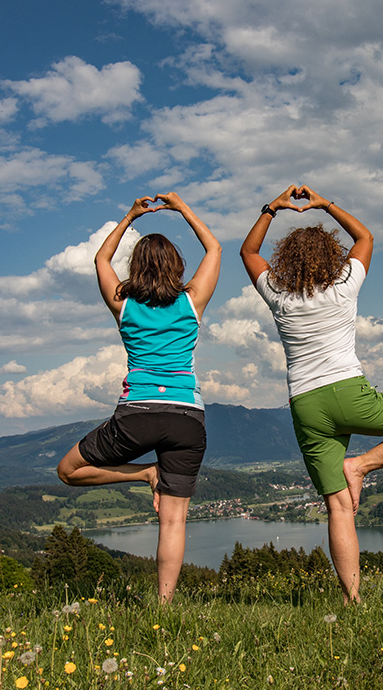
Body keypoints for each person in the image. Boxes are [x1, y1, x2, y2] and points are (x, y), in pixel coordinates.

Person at [240, 185, 383, 603]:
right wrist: (324, 204)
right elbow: (365, 238)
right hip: (350, 394)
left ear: (287, 260)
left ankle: (353, 601)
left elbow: (247, 252)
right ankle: (362, 467)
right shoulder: (344, 287)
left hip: (306, 405)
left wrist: (273, 209)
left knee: (338, 508)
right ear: (331, 256)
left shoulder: (280, 297)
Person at [57, 192, 221, 603]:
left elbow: (100, 260)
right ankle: (165, 608)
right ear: (178, 267)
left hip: (137, 414)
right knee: (174, 521)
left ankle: (143, 473)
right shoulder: (191, 302)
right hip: (187, 416)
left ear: (136, 267)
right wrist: (183, 208)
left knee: (67, 470)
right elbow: (215, 247)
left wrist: (130, 214)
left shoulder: (124, 305)